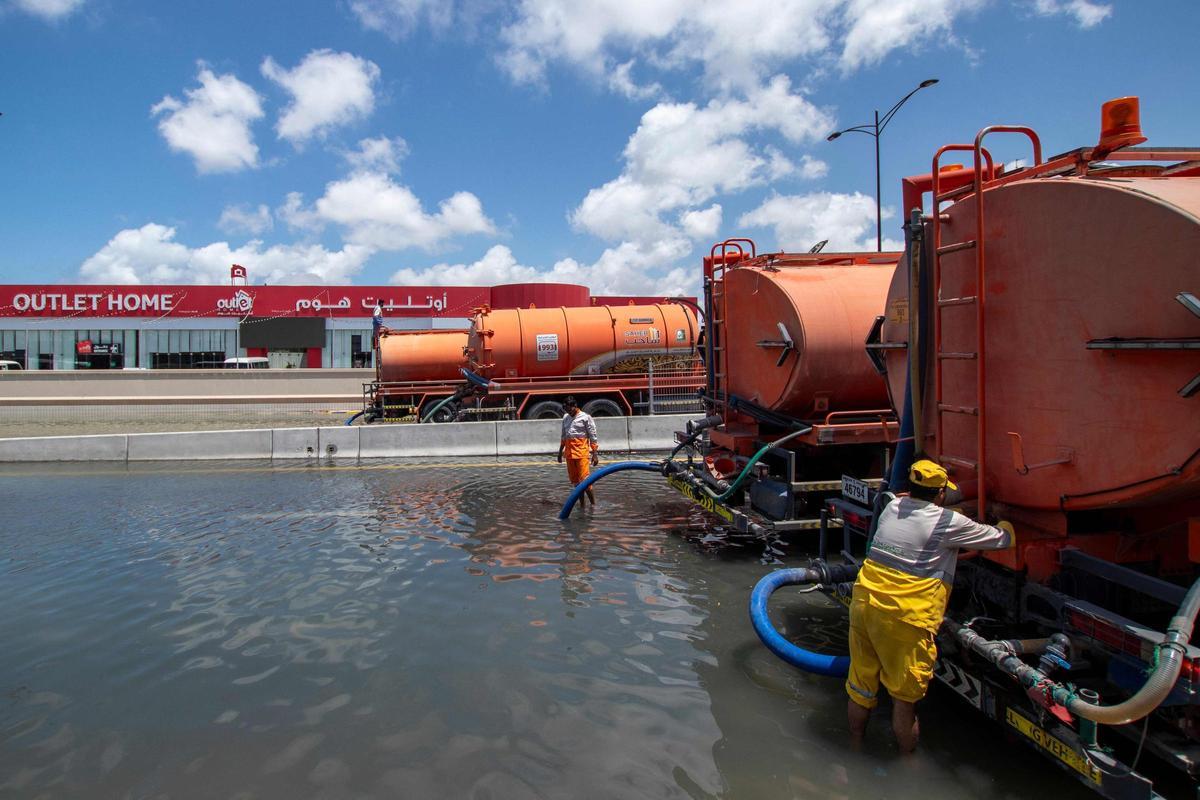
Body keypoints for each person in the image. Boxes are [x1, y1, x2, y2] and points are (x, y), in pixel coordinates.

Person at [846, 458, 1014, 753]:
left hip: (864, 604)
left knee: (860, 687)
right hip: (904, 618)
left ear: (910, 489)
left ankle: (855, 746)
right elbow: (1004, 539)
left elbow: (927, 515)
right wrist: (1002, 517)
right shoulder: (948, 523)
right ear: (939, 495)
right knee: (904, 699)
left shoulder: (892, 508)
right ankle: (906, 766)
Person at [557, 396, 599, 507]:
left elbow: (593, 436)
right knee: (576, 483)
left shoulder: (585, 417)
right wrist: (560, 452)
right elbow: (564, 436)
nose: (568, 412)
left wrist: (594, 454)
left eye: (569, 409)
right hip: (570, 455)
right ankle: (582, 505)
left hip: (581, 455)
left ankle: (593, 504)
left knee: (585, 483)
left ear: (575, 406)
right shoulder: (566, 418)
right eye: (566, 410)